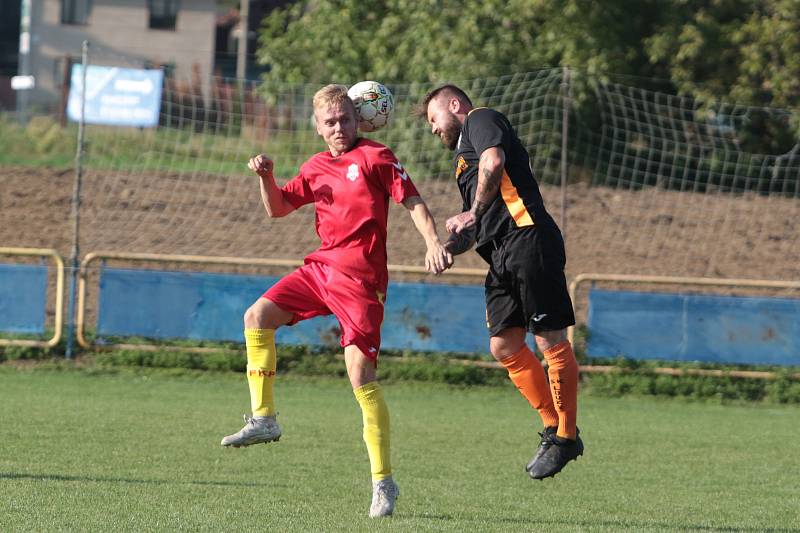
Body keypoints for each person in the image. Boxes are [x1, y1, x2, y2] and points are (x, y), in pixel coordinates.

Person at [221, 84, 452, 518]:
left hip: (361, 283)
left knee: (360, 377)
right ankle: (264, 417)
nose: (339, 127)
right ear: (318, 127)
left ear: (358, 118)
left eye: (345, 119)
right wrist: (265, 177)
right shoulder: (315, 166)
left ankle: (383, 483)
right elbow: (277, 208)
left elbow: (414, 203)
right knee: (257, 316)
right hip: (319, 271)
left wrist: (433, 242)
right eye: (330, 122)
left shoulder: (377, 157)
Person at [418, 85, 583, 479]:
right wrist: (446, 247)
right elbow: (474, 223)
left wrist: (472, 213)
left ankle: (566, 434)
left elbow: (494, 162)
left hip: (528, 238)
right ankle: (552, 426)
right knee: (504, 344)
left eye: (432, 119)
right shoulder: (463, 161)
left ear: (455, 106)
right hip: (501, 254)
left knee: (549, 339)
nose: (432, 129)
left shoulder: (481, 120)